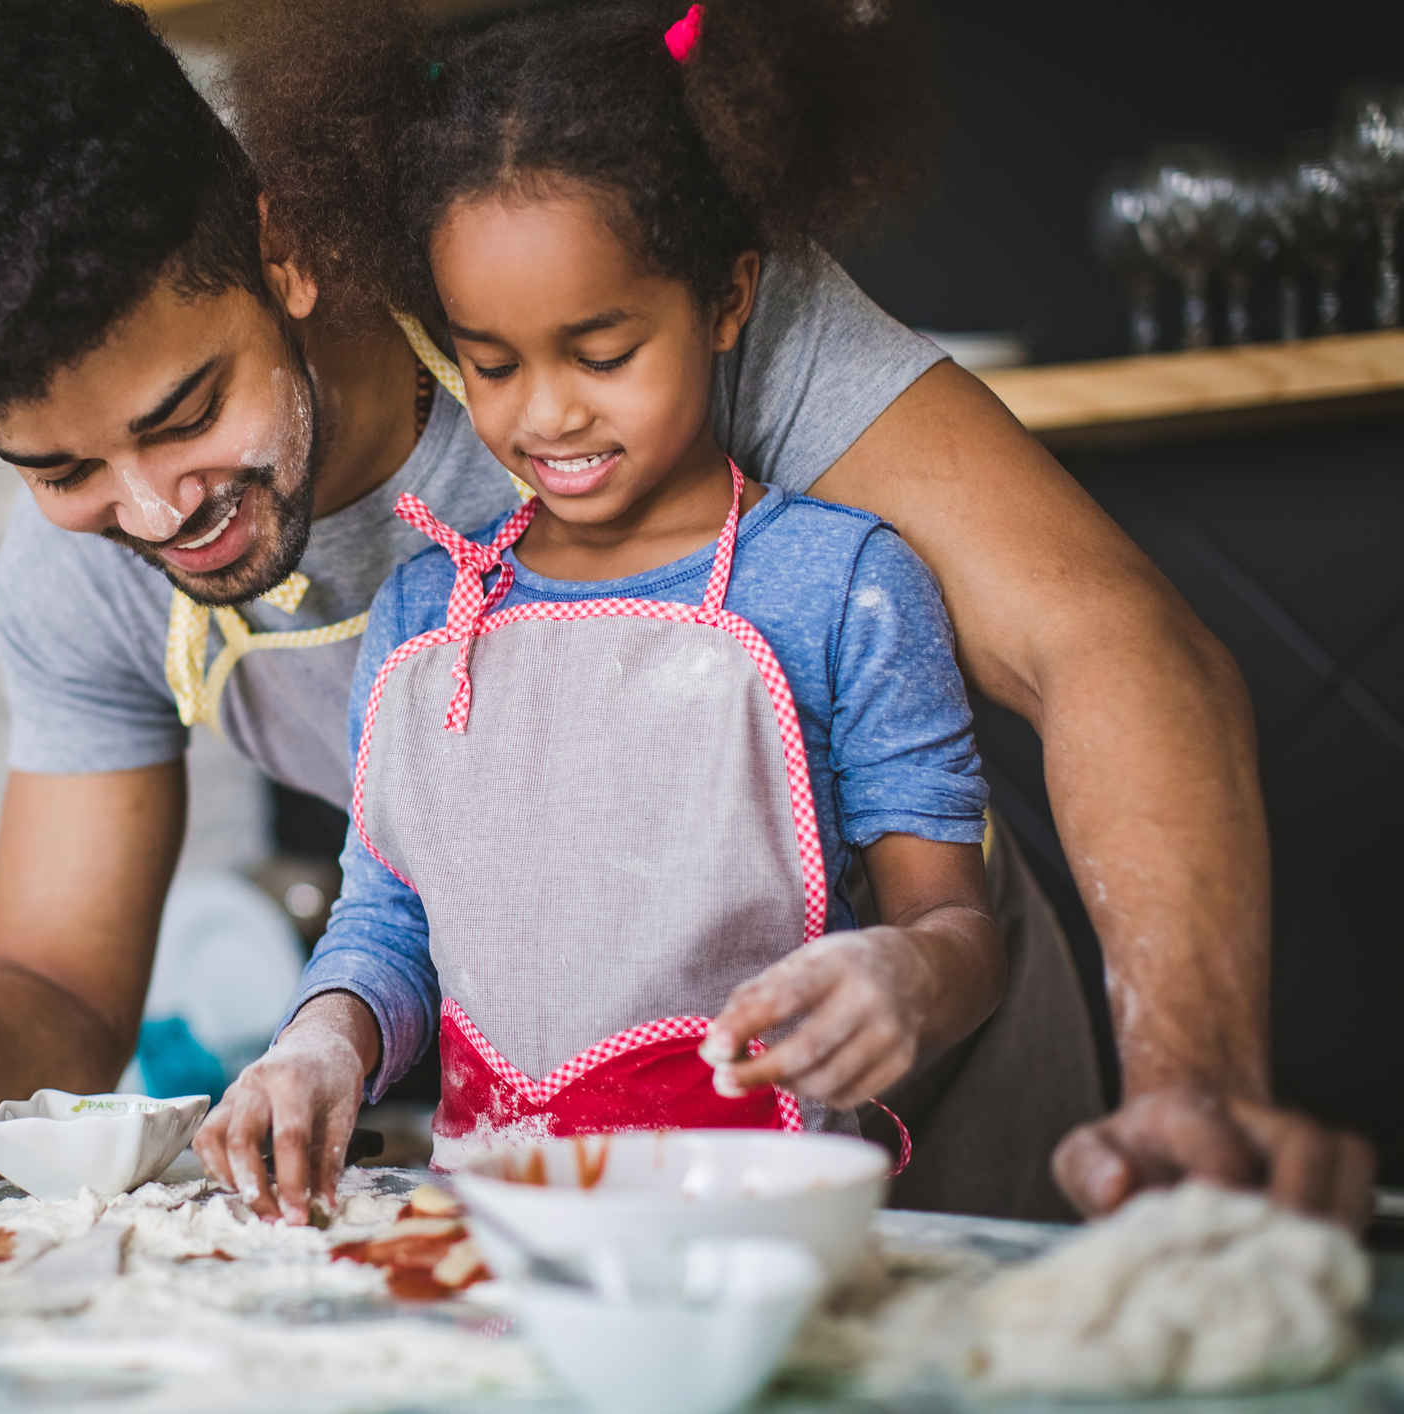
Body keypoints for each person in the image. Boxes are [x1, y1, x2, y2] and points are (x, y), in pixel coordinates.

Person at [0, 0, 1373, 1227]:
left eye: (182, 414)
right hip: (572, 1189)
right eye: (57, 463)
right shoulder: (80, 573)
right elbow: (65, 1011)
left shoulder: (611, 300)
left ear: (286, 252)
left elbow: (1117, 642)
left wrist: (1192, 1081)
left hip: (949, 1149)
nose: (148, 510)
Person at [196, 0, 1009, 1196]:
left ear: (726, 301)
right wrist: (322, 1040)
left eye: (604, 351)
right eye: (492, 360)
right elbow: (389, 927)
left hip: (753, 1222)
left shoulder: (842, 584)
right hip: (494, 1220)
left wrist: (904, 975)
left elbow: (958, 930)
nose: (548, 413)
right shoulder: (425, 620)